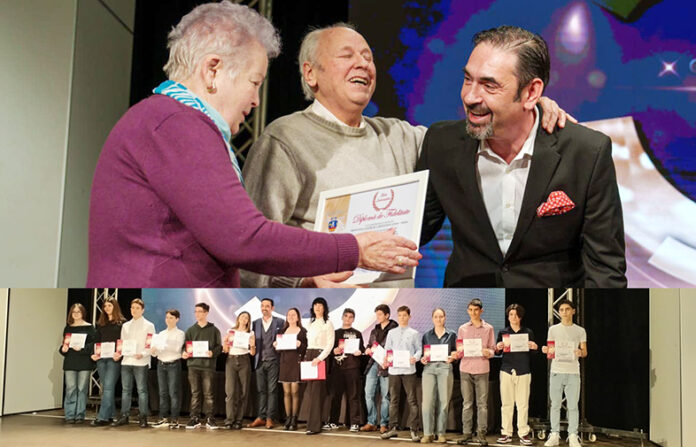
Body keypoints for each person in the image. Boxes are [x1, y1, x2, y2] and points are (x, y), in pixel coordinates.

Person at [87, 2, 421, 288]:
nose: (257, 101)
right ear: (213, 70)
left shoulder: (167, 120)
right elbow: (243, 237)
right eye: (254, 82)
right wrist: (354, 249)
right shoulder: (176, 124)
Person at [241, 23, 571, 289]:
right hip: (318, 313)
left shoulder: (400, 136)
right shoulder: (284, 139)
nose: (363, 64)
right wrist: (302, 283)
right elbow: (250, 248)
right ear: (311, 73)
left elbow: (477, 131)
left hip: (395, 314)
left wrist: (529, 107)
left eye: (368, 57)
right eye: (347, 55)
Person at [417, 25, 626, 287]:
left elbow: (606, 270)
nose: (470, 96)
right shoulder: (441, 143)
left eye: (489, 85)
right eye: (468, 79)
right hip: (469, 302)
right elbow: (413, 231)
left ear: (531, 93)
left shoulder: (586, 152)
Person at [541, 299, 587, 447]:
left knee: (573, 405)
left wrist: (580, 352)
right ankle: (554, 434)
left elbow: (585, 351)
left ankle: (572, 435)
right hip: (556, 371)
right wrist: (546, 350)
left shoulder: (580, 331)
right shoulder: (553, 330)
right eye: (561, 310)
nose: (564, 312)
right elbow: (550, 349)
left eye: (567, 309)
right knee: (555, 404)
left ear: (573, 311)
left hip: (573, 372)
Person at [494, 304, 537, 446]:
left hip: (523, 370)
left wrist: (534, 347)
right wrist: (498, 347)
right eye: (511, 314)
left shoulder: (527, 332)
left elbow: (533, 353)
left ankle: (523, 433)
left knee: (522, 404)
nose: (514, 317)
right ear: (508, 316)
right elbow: (498, 352)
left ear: (521, 316)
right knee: (506, 404)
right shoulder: (503, 332)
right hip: (507, 370)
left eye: (516, 314)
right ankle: (506, 432)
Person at [456, 299, 495, 446]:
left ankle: (481, 434)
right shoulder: (462, 329)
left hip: (482, 368)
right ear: (468, 311)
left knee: (482, 404)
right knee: (467, 403)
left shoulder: (489, 328)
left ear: (481, 311)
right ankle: (467, 433)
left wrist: (489, 352)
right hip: (465, 369)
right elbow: (459, 348)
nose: (473, 313)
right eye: (471, 310)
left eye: (476, 310)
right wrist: (458, 352)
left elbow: (492, 349)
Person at [380, 306, 422, 442]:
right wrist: (386, 359)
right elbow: (387, 350)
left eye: (404, 315)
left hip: (409, 371)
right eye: (400, 315)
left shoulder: (414, 333)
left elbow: (419, 350)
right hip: (394, 371)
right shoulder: (391, 333)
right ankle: (392, 428)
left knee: (412, 400)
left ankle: (414, 429)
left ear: (409, 317)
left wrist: (415, 358)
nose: (402, 318)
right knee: (393, 400)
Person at [113, 298, 156, 428]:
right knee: (126, 390)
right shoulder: (125, 326)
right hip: (126, 361)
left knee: (142, 390)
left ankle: (143, 417)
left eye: (137, 308)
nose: (134, 310)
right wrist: (118, 353)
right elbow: (122, 343)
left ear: (142, 310)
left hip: (141, 362)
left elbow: (150, 344)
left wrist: (142, 354)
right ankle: (124, 416)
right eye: (132, 308)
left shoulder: (149, 325)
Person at [419, 308, 457, 444]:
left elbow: (456, 352)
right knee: (427, 403)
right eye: (436, 317)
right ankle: (428, 433)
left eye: (441, 316)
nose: (438, 319)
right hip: (429, 369)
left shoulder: (452, 334)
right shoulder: (426, 335)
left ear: (445, 318)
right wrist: (423, 359)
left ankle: (441, 433)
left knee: (444, 402)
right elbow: (424, 354)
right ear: (432, 319)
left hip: (445, 368)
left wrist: (454, 356)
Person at [182, 302, 222, 429]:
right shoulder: (190, 330)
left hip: (208, 366)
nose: (197, 314)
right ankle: (194, 418)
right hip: (193, 366)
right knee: (195, 393)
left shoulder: (214, 330)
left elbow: (219, 347)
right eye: (196, 311)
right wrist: (184, 353)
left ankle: (210, 418)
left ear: (206, 313)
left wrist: (212, 352)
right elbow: (185, 346)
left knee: (208, 394)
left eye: (200, 311)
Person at [326, 308, 364, 432]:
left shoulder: (357, 333)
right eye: (346, 316)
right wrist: (334, 351)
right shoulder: (335, 333)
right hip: (338, 368)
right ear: (342, 317)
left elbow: (362, 349)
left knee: (353, 396)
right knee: (336, 396)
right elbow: (329, 349)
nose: (348, 319)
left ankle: (354, 423)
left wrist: (360, 352)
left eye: (350, 317)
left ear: (353, 319)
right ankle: (333, 421)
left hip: (353, 368)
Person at [249, 298, 285, 429]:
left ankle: (270, 418)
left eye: (267, 306)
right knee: (261, 391)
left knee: (272, 391)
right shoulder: (255, 323)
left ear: (272, 308)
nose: (264, 308)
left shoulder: (280, 322)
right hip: (259, 362)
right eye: (262, 306)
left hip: (274, 361)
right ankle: (261, 417)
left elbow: (284, 339)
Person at [362, 304, 398, 434]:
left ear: (387, 315)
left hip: (386, 365)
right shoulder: (374, 330)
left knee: (385, 396)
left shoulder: (394, 330)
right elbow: (369, 344)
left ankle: (384, 423)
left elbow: (395, 347)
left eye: (380, 314)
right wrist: (367, 349)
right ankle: (371, 422)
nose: (377, 317)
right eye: (376, 314)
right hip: (373, 363)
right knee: (368, 393)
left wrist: (388, 360)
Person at [90, 298, 125, 426]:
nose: (107, 308)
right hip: (101, 359)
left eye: (109, 305)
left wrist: (119, 354)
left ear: (115, 307)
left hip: (114, 359)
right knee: (106, 388)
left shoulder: (122, 323)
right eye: (105, 306)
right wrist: (94, 354)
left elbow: (123, 341)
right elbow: (96, 341)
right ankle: (111, 415)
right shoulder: (100, 324)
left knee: (109, 387)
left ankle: (102, 417)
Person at [59, 303, 96, 424]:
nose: (76, 314)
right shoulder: (68, 328)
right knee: (71, 388)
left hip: (84, 361)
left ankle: (80, 415)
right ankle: (70, 415)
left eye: (78, 312)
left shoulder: (89, 327)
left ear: (82, 313)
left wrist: (82, 348)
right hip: (70, 361)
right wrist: (63, 349)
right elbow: (64, 345)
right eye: (73, 312)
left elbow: (93, 345)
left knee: (81, 389)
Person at [304, 297, 335, 435]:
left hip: (320, 357)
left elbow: (330, 344)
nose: (317, 307)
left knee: (317, 392)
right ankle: (312, 423)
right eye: (315, 305)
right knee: (311, 392)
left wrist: (320, 358)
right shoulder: (310, 323)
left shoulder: (327, 323)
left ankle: (315, 426)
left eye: (320, 305)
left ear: (324, 308)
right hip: (309, 356)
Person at [151, 309, 185, 429]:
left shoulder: (180, 334)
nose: (168, 320)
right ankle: (163, 417)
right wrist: (153, 350)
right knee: (162, 392)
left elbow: (176, 349)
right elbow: (155, 353)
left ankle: (174, 419)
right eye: (167, 318)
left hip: (173, 364)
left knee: (173, 392)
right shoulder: (161, 334)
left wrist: (163, 345)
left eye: (171, 318)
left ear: (177, 319)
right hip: (161, 364)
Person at [275, 308, 307, 431]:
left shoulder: (303, 331)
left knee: (295, 392)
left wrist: (300, 345)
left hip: (296, 363)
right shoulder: (282, 331)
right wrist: (276, 345)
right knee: (286, 392)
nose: (291, 316)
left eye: (294, 315)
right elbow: (279, 350)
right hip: (284, 364)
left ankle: (294, 418)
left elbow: (306, 348)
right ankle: (288, 418)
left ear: (298, 317)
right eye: (289, 314)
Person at [223, 311, 256, 430]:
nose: (244, 319)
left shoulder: (250, 333)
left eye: (246, 317)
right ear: (238, 318)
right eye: (242, 316)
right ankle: (229, 420)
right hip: (231, 360)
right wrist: (225, 343)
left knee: (243, 391)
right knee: (230, 392)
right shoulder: (231, 331)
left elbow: (252, 353)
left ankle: (239, 420)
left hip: (244, 361)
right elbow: (226, 350)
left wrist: (252, 345)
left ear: (248, 321)